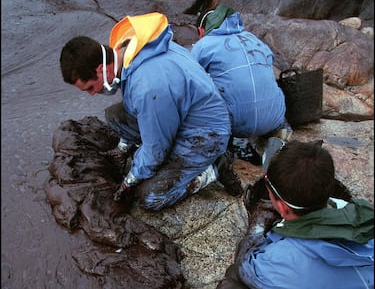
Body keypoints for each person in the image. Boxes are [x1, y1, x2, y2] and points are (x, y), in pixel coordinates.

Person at [212, 140, 374, 289]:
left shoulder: (283, 260)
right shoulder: (358, 214)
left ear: (283, 207)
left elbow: (246, 265)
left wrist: (260, 220)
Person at [59, 12, 244, 212]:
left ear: (101, 68)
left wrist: (130, 180)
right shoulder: (131, 48)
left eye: (90, 87)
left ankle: (214, 169)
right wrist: (124, 149)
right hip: (182, 114)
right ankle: (130, 151)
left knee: (149, 197)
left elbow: (156, 151)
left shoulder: (148, 86)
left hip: (205, 133)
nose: (93, 94)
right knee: (115, 116)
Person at [190, 3, 291, 164]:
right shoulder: (254, 39)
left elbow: (189, 81)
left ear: (202, 30)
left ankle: (222, 155)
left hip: (236, 124)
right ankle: (279, 135)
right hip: (273, 117)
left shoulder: (204, 45)